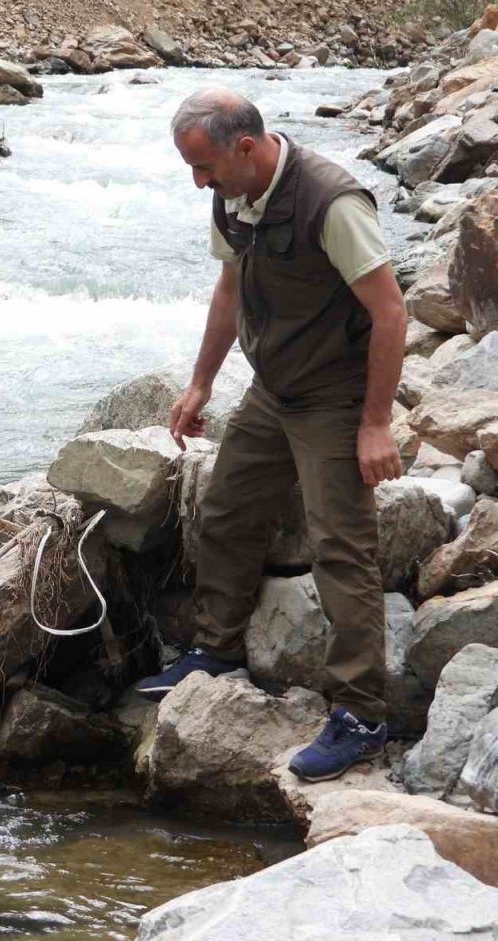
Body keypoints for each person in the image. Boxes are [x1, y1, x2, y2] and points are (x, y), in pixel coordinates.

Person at [136, 89, 408, 783]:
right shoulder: (233, 194)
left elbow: (391, 312)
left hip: (335, 397)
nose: (199, 183)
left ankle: (361, 715)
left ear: (246, 148)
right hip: (273, 388)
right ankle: (217, 649)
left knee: (341, 547)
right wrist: (200, 383)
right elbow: (229, 289)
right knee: (225, 508)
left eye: (204, 167)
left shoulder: (332, 201)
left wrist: (375, 422)